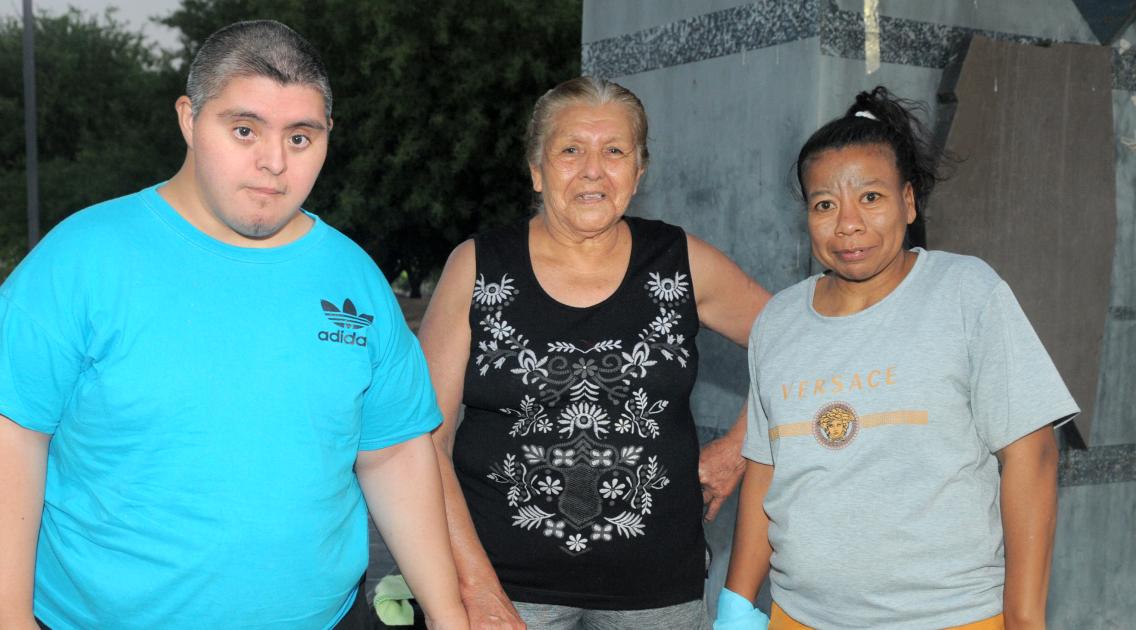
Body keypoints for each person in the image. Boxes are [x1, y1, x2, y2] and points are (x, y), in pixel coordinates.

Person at [0, 20, 468, 629]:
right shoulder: (83, 257)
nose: (274, 162)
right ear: (190, 119)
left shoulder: (353, 277)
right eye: (244, 130)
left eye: (301, 138)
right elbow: (7, 437)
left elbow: (396, 454)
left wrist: (449, 614)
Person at [718, 87, 1078, 630]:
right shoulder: (780, 322)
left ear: (908, 202)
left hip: (951, 617)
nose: (848, 224)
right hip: (800, 617)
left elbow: (1033, 456)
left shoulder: (965, 292)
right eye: (824, 204)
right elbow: (766, 474)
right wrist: (737, 606)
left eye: (870, 197)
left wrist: (1026, 619)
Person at [418, 76, 770, 629]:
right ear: (536, 169)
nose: (592, 169)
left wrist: (740, 448)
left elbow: (794, 341)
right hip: (505, 595)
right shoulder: (477, 267)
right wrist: (474, 587)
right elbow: (425, 440)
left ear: (639, 169)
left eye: (614, 151)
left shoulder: (680, 262)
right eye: (570, 150)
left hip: (659, 593)